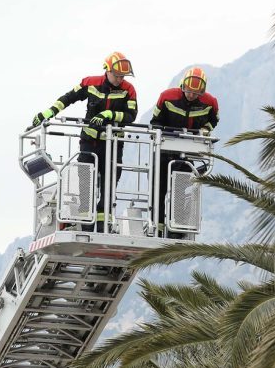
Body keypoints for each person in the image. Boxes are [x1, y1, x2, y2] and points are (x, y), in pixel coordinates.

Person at [29, 52, 137, 231]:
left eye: (122, 76)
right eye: (117, 76)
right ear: (107, 70)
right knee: (85, 181)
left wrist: (109, 114)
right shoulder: (90, 83)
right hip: (90, 142)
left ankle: (103, 225)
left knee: (110, 184)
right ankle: (86, 223)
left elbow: (131, 115)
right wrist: (49, 112)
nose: (120, 79)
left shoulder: (129, 89)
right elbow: (68, 98)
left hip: (114, 144)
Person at [150, 67, 219, 236]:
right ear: (183, 86)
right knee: (158, 189)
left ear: (201, 93)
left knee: (181, 188)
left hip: (186, 153)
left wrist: (204, 130)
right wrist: (167, 133)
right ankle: (157, 227)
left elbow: (213, 121)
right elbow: (154, 122)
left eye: (195, 93)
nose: (191, 95)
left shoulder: (210, 103)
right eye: (188, 91)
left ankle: (177, 228)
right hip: (164, 150)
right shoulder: (167, 97)